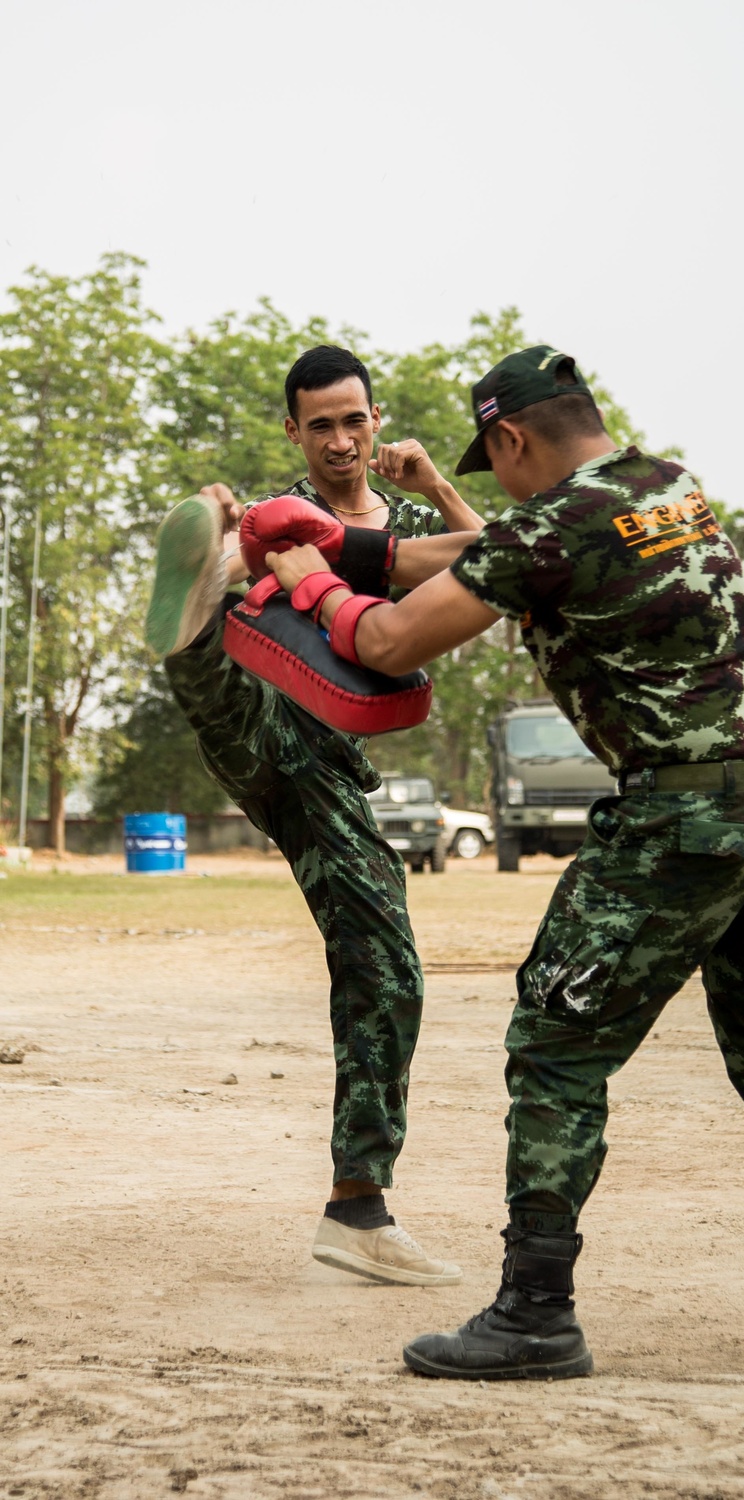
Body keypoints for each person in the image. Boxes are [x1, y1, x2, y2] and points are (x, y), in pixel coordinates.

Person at [263, 345, 744, 1378]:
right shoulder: (665, 487)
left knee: (555, 1044)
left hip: (683, 817)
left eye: (492, 460)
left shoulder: (554, 526)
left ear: (511, 437)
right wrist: (351, 542)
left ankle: (535, 1312)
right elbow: (497, 551)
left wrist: (307, 579)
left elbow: (390, 645)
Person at [145, 344, 484, 1287]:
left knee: (383, 966)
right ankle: (196, 621)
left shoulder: (409, 517)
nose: (340, 439)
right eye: (320, 424)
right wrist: (238, 534)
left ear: (377, 421)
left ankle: (357, 1205)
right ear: (294, 431)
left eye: (354, 419)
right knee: (227, 648)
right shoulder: (285, 513)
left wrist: (444, 487)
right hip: (266, 716)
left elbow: (509, 565)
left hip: (325, 763)